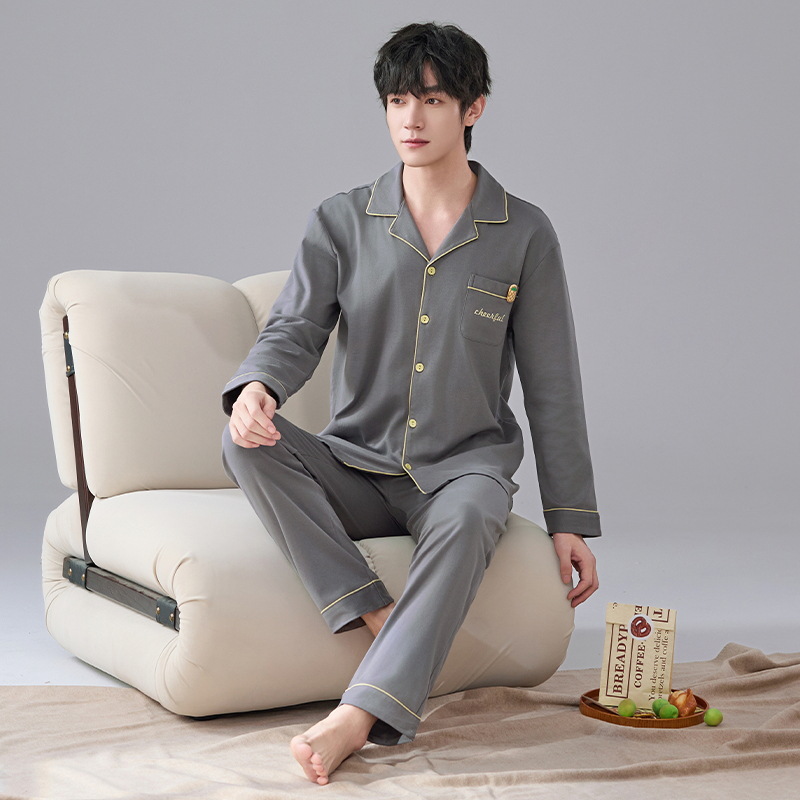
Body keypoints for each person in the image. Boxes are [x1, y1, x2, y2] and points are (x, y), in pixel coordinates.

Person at [221, 21, 601, 786]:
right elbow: (295, 327)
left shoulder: (524, 233)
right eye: (397, 100)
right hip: (355, 462)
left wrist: (570, 519)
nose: (411, 119)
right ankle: (373, 612)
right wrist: (259, 387)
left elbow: (553, 380)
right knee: (242, 441)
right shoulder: (341, 220)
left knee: (471, 513)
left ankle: (356, 719)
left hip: (463, 470)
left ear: (473, 108)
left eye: (431, 99)